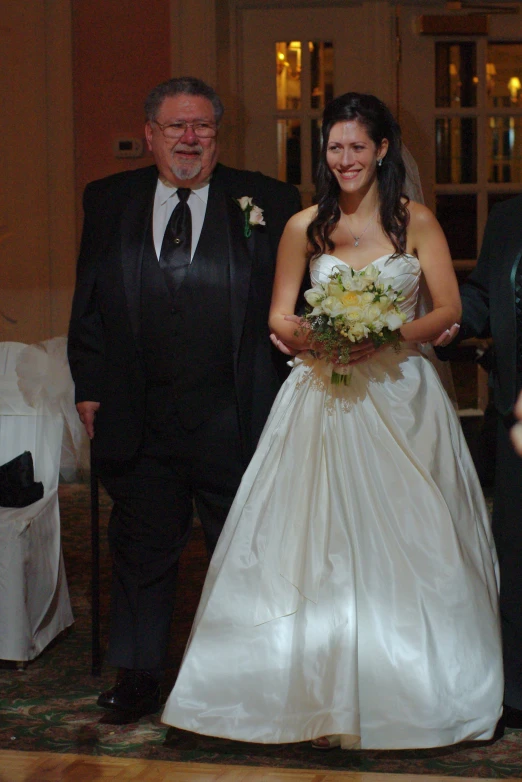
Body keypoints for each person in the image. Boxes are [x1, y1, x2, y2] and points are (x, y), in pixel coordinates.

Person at [161, 93, 503, 749]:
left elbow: (447, 309)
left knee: (406, 537)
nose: (345, 159)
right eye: (334, 147)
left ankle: (411, 689)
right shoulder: (303, 228)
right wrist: (318, 336)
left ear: (381, 151)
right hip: (322, 396)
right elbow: (278, 314)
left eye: (356, 146)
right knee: (312, 540)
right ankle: (307, 693)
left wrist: (388, 333)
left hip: (400, 395)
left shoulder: (417, 222)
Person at [67, 76, 301, 722]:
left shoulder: (268, 201)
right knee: (140, 550)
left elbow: (294, 304)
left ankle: (253, 677)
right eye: (177, 127)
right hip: (141, 415)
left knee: (246, 550)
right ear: (150, 135)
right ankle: (139, 678)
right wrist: (88, 384)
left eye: (202, 127)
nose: (190, 139)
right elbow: (87, 304)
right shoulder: (108, 200)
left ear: (218, 135)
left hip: (233, 414)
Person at [436, 194, 522, 727]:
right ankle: (517, 689)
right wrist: (452, 321)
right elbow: (486, 291)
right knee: (514, 543)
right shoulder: (511, 216)